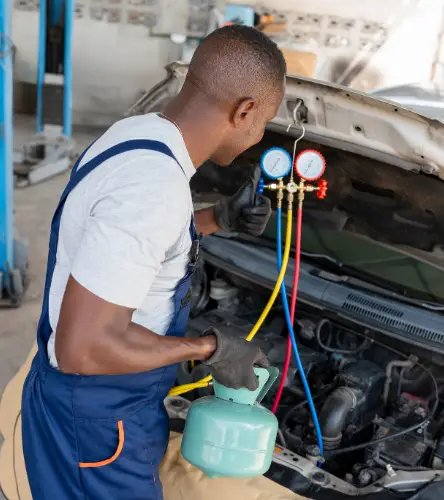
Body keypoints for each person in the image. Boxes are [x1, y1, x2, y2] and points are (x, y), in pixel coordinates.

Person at [21, 25, 287, 499]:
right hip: (100, 417)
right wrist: (209, 349)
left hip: (86, 403)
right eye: (262, 121)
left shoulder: (138, 135)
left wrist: (216, 218)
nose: (257, 134)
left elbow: (134, 240)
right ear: (244, 110)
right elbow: (86, 347)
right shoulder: (153, 189)